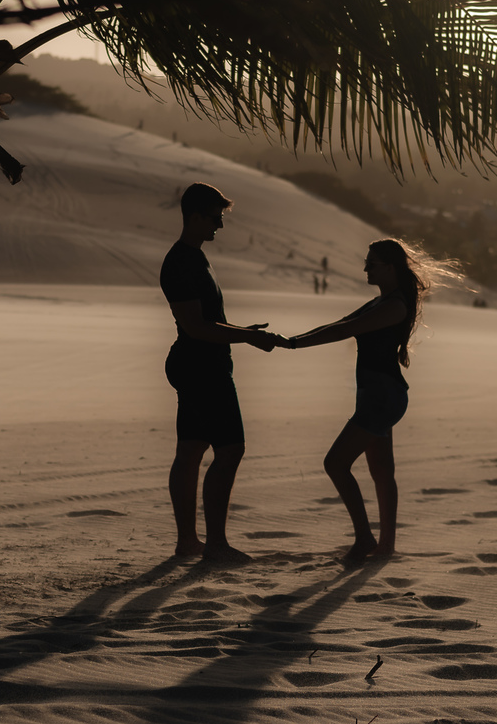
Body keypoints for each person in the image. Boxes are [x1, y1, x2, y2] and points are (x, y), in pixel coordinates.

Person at [280, 239, 463, 561]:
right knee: (381, 470)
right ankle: (385, 546)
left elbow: (347, 330)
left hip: (382, 396)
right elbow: (337, 325)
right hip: (375, 394)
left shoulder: (394, 306)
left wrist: (294, 345)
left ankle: (366, 539)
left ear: (390, 267)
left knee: (335, 463)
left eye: (372, 263)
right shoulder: (380, 302)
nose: (365, 268)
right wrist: (290, 340)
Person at [160, 183, 283, 562]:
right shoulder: (181, 261)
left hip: (200, 363)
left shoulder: (195, 257)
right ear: (194, 216)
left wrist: (243, 333)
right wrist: (248, 337)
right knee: (229, 449)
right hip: (201, 366)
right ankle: (214, 545)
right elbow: (196, 326)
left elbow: (205, 322)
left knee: (192, 449)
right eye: (215, 218)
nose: (219, 226)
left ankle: (189, 543)